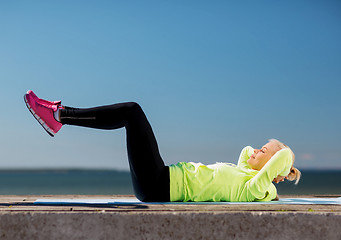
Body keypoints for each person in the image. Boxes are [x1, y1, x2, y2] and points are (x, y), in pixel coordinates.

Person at [24, 90, 301, 202]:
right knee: (131, 113)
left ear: (274, 167)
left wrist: (282, 158)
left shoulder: (254, 188)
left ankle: (60, 116)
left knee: (133, 111)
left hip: (159, 185)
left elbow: (280, 160)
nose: (255, 151)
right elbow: (244, 151)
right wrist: (262, 154)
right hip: (160, 179)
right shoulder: (245, 173)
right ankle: (59, 117)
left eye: (262, 152)